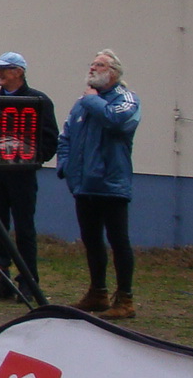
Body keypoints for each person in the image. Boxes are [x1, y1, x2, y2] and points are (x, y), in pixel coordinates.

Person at [57, 48, 141, 318]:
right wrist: (66, 167)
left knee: (118, 241)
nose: (92, 68)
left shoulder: (126, 99)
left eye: (100, 65)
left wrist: (92, 99)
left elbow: (116, 121)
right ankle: (97, 293)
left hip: (111, 184)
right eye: (92, 64)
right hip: (83, 185)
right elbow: (66, 137)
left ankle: (125, 299)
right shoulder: (81, 104)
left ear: (114, 72)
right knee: (91, 241)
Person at [0, 50, 53, 302]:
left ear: (18, 72)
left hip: (22, 176)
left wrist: (31, 160)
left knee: (24, 228)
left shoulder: (38, 101)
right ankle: (2, 280)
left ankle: (28, 282)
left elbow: (49, 139)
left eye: (4, 69)